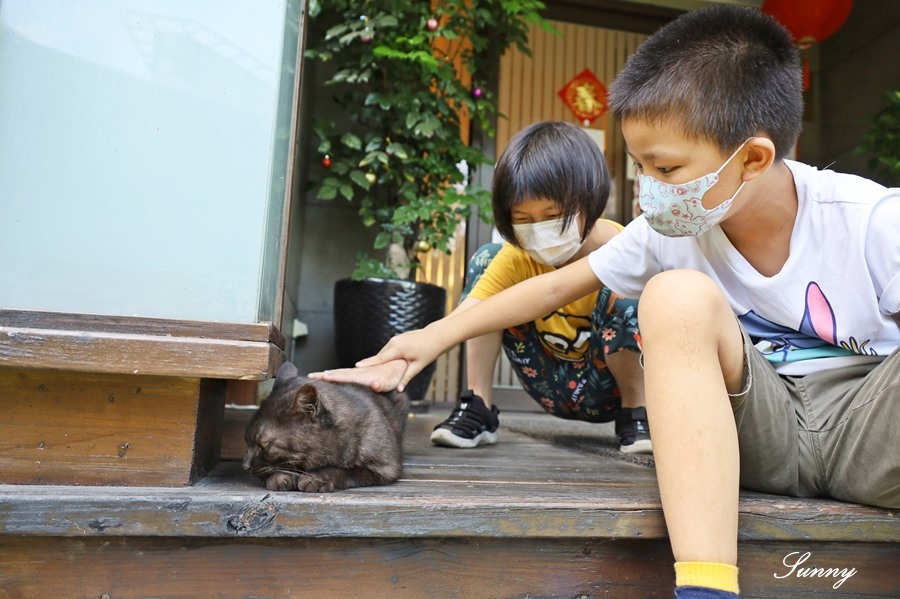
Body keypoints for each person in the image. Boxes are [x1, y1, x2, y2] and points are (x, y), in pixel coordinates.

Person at [312, 6, 900, 598]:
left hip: (867, 426)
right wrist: (424, 341)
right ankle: (705, 588)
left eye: (665, 167)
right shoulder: (669, 232)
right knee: (674, 297)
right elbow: (550, 287)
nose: (647, 190)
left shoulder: (872, 222)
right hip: (754, 432)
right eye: (639, 166)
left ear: (752, 158)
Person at [428, 121, 650, 453]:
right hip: (546, 378)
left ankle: (638, 413)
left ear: (590, 201)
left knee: (634, 290)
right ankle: (478, 407)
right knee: (486, 259)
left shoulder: (625, 246)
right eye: (523, 219)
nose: (539, 230)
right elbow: (472, 311)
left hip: (610, 390)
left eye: (552, 214)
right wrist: (417, 346)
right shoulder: (516, 257)